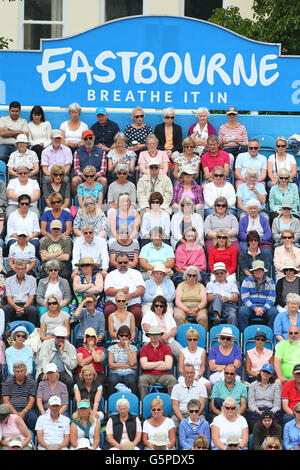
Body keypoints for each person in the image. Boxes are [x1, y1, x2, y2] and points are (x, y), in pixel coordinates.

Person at [104, 253, 145, 328]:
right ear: (116, 262)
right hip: (114, 302)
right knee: (108, 310)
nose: (123, 264)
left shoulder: (136, 273)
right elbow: (108, 291)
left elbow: (141, 289)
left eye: (125, 262)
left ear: (129, 262)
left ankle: (134, 335)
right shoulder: (110, 275)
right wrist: (121, 291)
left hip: (131, 302)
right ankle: (110, 335)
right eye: (120, 262)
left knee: (137, 312)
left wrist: (131, 295)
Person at [138, 325, 177, 401]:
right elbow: (144, 366)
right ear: (149, 335)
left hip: (164, 375)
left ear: (160, 335)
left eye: (157, 334)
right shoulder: (144, 349)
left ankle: (172, 406)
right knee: (142, 379)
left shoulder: (167, 348)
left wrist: (151, 365)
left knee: (172, 380)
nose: (155, 336)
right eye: (152, 334)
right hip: (148, 375)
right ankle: (144, 404)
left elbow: (168, 366)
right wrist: (160, 362)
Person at [36, 326, 77, 397]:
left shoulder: (71, 347)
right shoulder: (46, 344)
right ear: (54, 336)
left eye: (62, 337)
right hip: (48, 370)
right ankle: (43, 403)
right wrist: (46, 371)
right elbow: (43, 358)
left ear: (65, 338)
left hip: (62, 372)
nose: (60, 339)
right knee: (42, 379)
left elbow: (73, 365)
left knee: (69, 381)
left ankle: (65, 403)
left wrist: (63, 354)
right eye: (58, 337)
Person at [239, 260, 278, 332]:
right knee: (242, 312)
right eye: (256, 270)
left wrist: (263, 309)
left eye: (260, 270)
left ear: (263, 271)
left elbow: (271, 299)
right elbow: (245, 299)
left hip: (265, 307)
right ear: (253, 271)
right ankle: (244, 334)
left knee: (274, 312)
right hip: (251, 307)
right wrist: (255, 309)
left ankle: (270, 335)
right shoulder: (246, 281)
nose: (258, 272)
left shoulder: (270, 281)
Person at [141, 295, 182, 359]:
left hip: (168, 340)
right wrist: (160, 335)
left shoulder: (168, 315)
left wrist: (168, 335)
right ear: (153, 306)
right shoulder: (149, 314)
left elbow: (174, 330)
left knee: (182, 353)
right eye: (156, 306)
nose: (158, 308)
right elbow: (146, 328)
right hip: (151, 341)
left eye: (161, 306)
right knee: (153, 356)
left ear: (164, 307)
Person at [2, 360, 37, 432]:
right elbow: (5, 400)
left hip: (27, 410)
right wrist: (15, 413)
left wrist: (24, 411)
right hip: (11, 409)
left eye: (22, 371)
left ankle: (31, 437)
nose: (20, 373)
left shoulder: (32, 383)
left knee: (34, 419)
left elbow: (32, 401)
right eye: (17, 371)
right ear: (14, 372)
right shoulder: (7, 382)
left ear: (26, 371)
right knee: (4, 419)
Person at [247, 364, 281, 432]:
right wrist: (258, 411)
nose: (265, 374)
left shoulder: (275, 386)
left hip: (271, 411)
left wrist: (270, 412)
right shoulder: (253, 385)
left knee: (276, 426)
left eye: (268, 372)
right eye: (264, 371)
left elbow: (277, 405)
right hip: (257, 410)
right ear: (260, 371)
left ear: (271, 375)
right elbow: (251, 403)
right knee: (255, 425)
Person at [72, 131, 107, 197]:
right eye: (86, 139)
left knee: (103, 180)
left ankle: (101, 203)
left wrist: (93, 176)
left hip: (96, 176)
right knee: (75, 180)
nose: (88, 140)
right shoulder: (78, 152)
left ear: (94, 138)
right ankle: (76, 202)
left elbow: (103, 170)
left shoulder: (101, 151)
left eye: (90, 138)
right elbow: (76, 169)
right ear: (83, 140)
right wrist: (85, 176)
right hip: (83, 176)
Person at [3, 259, 38, 326]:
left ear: (26, 269)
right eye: (18, 269)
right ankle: (7, 331)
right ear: (15, 269)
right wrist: (16, 307)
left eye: (22, 269)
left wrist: (24, 307)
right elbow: (9, 297)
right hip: (13, 304)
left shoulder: (32, 280)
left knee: (33, 310)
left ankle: (32, 331)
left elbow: (31, 297)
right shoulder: (8, 280)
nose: (21, 271)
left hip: (27, 304)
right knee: (5, 309)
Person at [107, 325, 138, 397]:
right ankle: (109, 402)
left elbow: (133, 362)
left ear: (129, 337)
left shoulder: (133, 348)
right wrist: (128, 365)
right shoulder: (112, 348)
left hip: (129, 373)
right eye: (122, 335)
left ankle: (134, 401)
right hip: (115, 373)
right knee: (112, 380)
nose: (124, 338)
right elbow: (111, 365)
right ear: (118, 336)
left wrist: (127, 348)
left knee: (132, 381)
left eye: (126, 336)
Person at [178, 328, 210, 395]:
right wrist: (187, 376)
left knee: (207, 385)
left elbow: (203, 367)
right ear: (187, 340)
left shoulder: (202, 351)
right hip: (185, 375)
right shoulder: (182, 352)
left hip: (197, 375)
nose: (192, 341)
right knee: (182, 385)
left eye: (194, 339)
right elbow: (180, 369)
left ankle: (207, 403)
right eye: (190, 339)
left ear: (197, 340)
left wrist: (198, 376)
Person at [274, 326, 300, 390]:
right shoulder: (281, 344)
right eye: (291, 333)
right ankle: (280, 400)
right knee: (278, 382)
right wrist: (280, 376)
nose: (293, 335)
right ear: (288, 334)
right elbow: (277, 361)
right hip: (285, 378)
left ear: (299, 334)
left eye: (296, 333)